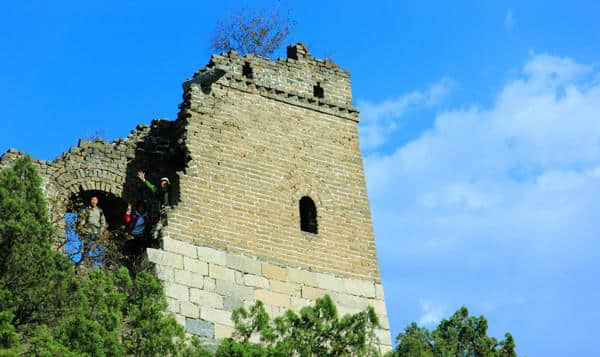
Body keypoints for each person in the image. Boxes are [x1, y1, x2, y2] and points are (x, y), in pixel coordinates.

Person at [137, 171, 171, 239]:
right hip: (162, 211)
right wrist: (144, 180)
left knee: (165, 225)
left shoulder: (171, 191)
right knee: (159, 226)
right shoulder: (159, 192)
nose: (163, 183)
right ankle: (157, 238)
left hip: (168, 210)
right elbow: (152, 187)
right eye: (162, 182)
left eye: (164, 182)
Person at [77, 195, 107, 264]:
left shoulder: (99, 211)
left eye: (95, 200)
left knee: (95, 248)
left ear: (97, 201)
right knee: (87, 247)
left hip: (96, 232)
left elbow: (103, 221)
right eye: (92, 200)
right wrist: (81, 228)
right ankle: (84, 261)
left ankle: (93, 262)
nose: (94, 201)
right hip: (88, 231)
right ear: (90, 201)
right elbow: (83, 220)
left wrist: (101, 231)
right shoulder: (86, 210)